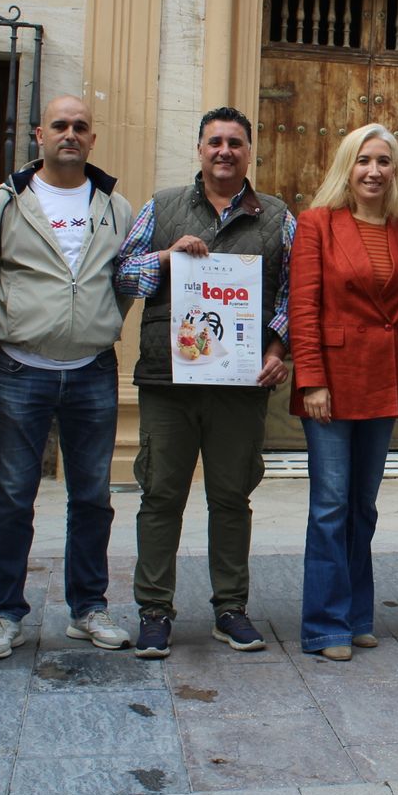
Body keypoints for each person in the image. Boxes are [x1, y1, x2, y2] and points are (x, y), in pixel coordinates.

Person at [115, 106, 293, 659]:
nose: (224, 151)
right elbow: (121, 273)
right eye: (214, 141)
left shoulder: (278, 217)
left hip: (239, 384)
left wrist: (276, 347)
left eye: (235, 143)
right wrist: (166, 258)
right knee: (161, 495)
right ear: (199, 148)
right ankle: (153, 611)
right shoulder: (162, 206)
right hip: (169, 381)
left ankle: (230, 609)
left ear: (249, 152)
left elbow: (292, 293)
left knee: (232, 497)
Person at [0, 95, 135, 660]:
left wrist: (99, 323)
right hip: (20, 372)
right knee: (13, 497)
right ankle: (2, 614)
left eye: (81, 127)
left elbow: (125, 281)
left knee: (92, 497)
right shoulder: (4, 204)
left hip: (92, 372)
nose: (70, 134)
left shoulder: (116, 207)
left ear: (93, 139)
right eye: (60, 125)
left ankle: (88, 608)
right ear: (39, 134)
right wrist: (9, 332)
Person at [288, 124, 398, 661]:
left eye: (384, 162)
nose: (373, 170)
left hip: (384, 381)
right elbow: (304, 307)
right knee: (330, 505)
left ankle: (356, 615)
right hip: (334, 383)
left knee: (363, 506)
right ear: (348, 167)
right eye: (364, 160)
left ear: (395, 171)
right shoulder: (317, 224)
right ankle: (325, 627)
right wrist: (312, 380)